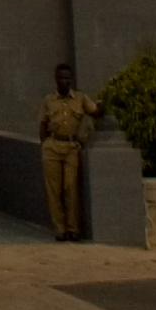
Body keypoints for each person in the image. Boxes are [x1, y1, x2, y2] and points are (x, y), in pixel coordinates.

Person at [37, 60, 101, 240]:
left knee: (70, 188)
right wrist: (45, 145)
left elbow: (95, 112)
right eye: (61, 78)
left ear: (71, 79)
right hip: (53, 146)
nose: (64, 81)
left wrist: (106, 105)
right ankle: (60, 229)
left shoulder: (80, 98)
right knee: (54, 190)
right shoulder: (48, 100)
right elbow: (42, 125)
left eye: (67, 78)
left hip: (72, 147)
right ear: (56, 80)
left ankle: (73, 229)